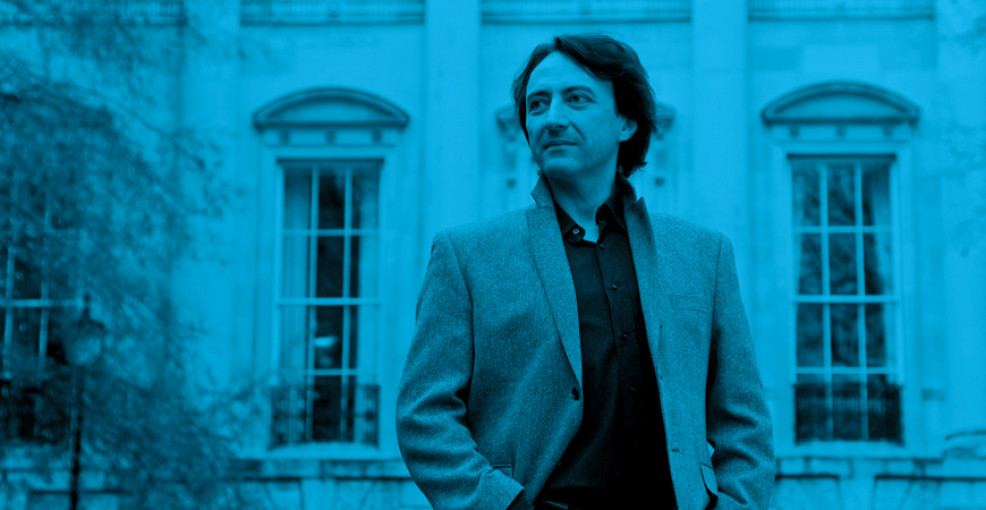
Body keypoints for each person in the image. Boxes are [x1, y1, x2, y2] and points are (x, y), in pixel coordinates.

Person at [396, 33, 774, 510]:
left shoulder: (704, 255)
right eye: (537, 104)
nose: (552, 118)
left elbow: (744, 420)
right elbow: (424, 416)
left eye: (577, 99)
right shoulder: (465, 255)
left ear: (626, 122)